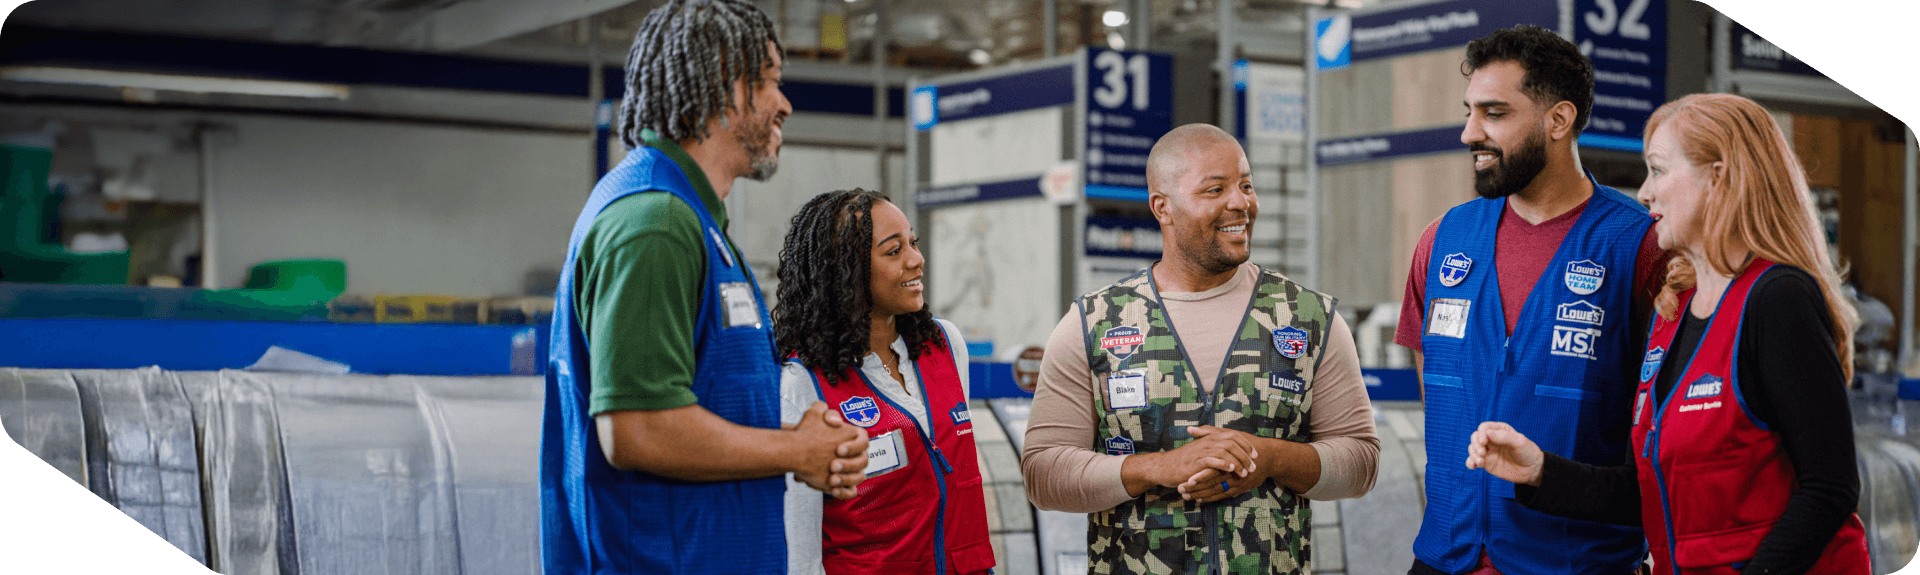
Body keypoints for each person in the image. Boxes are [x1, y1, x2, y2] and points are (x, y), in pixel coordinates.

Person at [1463, 93, 1869, 575]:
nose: (1644, 193)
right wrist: (1541, 472)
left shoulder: (1777, 299)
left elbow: (1830, 488)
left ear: (1719, 177)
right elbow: (1651, 491)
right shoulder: (1672, 310)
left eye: (1657, 170)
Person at [540, 1, 868, 573]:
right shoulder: (655, 224)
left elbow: (700, 402)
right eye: (768, 81)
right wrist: (797, 450)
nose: (783, 104)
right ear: (722, 85)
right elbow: (639, 428)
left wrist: (799, 440)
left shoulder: (693, 221)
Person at [1022, 123, 1379, 575]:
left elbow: (1361, 462)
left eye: (1246, 185)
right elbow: (1044, 474)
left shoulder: (1308, 317)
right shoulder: (1094, 324)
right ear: (1162, 207)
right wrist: (1158, 468)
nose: (1241, 203)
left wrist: (1265, 457)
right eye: (1216, 189)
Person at [1393, 25, 1671, 575]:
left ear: (1558, 120)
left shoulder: (1638, 246)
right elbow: (1441, 397)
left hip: (1578, 563)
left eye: (1494, 114)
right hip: (1446, 557)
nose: (1470, 132)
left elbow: (1662, 432)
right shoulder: (1442, 241)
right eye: (1469, 111)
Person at [772, 189, 997, 575]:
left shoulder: (944, 345)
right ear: (844, 269)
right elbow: (801, 552)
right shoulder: (804, 384)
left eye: (913, 243)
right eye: (894, 251)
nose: (916, 260)